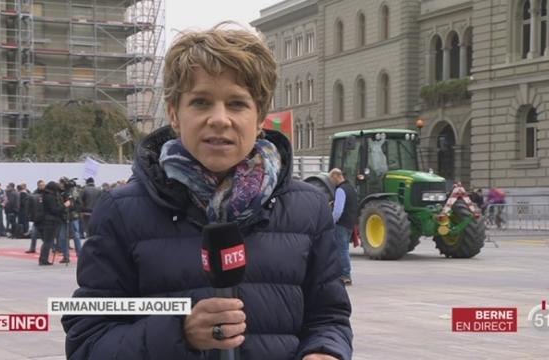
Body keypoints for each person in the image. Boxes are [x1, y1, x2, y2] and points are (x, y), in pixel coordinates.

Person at [62, 24, 352, 360]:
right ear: (174, 113)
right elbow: (87, 342)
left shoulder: (308, 209)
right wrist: (178, 332)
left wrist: (325, 351)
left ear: (259, 118)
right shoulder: (120, 212)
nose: (219, 119)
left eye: (237, 103)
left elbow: (329, 318)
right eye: (200, 102)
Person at [328, 169, 358, 286]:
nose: (331, 182)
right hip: (350, 223)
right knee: (343, 248)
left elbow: (338, 210)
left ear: (336, 176)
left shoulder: (340, 190)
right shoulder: (351, 188)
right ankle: (342, 273)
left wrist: (331, 221)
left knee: (342, 249)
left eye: (331, 179)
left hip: (341, 224)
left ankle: (345, 275)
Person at [38, 181, 67, 266]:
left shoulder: (45, 195)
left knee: (47, 241)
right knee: (48, 241)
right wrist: (64, 206)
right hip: (51, 220)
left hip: (47, 219)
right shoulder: (50, 196)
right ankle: (43, 260)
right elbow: (54, 209)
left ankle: (43, 259)